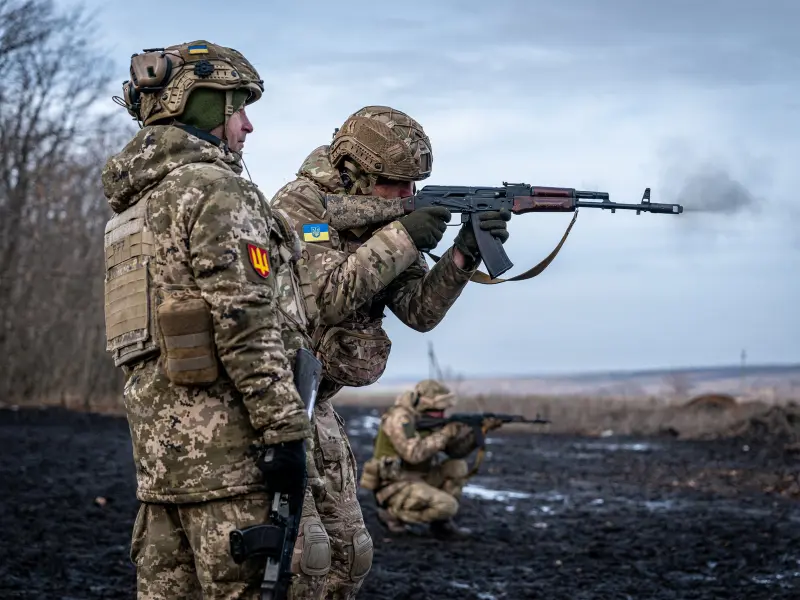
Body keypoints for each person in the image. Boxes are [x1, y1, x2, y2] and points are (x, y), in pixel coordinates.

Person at [102, 40, 330, 599]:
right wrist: (285, 433)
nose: (247, 126)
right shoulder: (217, 189)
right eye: (238, 107)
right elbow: (246, 323)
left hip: (160, 473)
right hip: (230, 468)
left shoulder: (134, 210)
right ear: (203, 106)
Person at [269, 106, 511, 593]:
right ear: (354, 171)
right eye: (397, 185)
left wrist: (464, 252)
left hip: (320, 401)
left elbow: (419, 311)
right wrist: (402, 236)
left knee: (350, 555)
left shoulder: (385, 219)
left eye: (414, 186)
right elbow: (323, 299)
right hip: (277, 397)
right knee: (300, 556)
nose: (408, 197)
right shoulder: (301, 206)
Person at [358, 380, 502, 538]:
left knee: (456, 466)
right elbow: (413, 454)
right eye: (438, 410)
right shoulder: (400, 418)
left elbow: (456, 452)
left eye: (443, 411)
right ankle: (392, 514)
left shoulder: (429, 419)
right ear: (424, 404)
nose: (441, 415)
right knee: (448, 506)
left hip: (420, 478)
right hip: (394, 485)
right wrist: (446, 432)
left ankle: (441, 524)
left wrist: (478, 432)